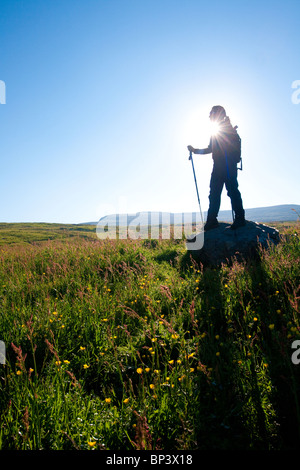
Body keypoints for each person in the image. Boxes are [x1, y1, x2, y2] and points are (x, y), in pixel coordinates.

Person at [188, 105, 246, 231]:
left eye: (211, 114)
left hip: (227, 165)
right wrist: (195, 150)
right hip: (222, 166)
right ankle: (213, 220)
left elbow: (213, 148)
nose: (209, 116)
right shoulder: (219, 129)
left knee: (228, 192)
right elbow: (211, 149)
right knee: (217, 193)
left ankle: (237, 219)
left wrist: (195, 151)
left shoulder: (226, 129)